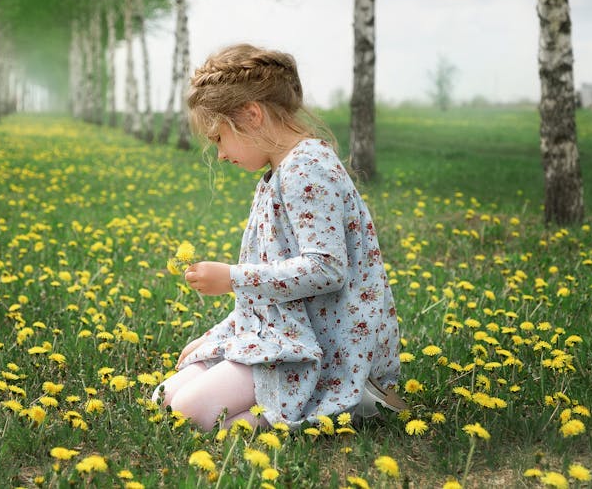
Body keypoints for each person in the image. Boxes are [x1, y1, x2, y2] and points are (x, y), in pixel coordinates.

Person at [152, 43, 404, 431]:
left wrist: (232, 278)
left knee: (188, 411)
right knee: (167, 396)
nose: (219, 155)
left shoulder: (307, 169)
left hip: (319, 349)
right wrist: (221, 335)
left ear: (251, 116)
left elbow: (327, 269)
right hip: (286, 332)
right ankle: (255, 399)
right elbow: (274, 286)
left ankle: (347, 402)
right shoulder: (278, 174)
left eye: (218, 138)